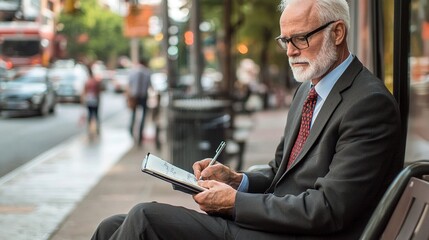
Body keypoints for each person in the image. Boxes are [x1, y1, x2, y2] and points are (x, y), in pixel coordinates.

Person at [91, 0, 403, 239]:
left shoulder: (368, 103)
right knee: (111, 226)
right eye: (285, 41)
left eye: (301, 39)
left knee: (145, 217)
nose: (291, 51)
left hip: (302, 233)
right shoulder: (308, 90)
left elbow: (330, 209)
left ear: (337, 32)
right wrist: (237, 180)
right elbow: (281, 170)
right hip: (274, 222)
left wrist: (235, 203)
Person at [126, 58, 152, 146]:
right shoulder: (147, 72)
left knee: (133, 115)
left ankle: (131, 131)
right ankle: (140, 136)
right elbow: (150, 85)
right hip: (143, 96)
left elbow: (129, 84)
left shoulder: (133, 71)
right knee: (143, 117)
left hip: (134, 96)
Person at [81, 65, 102, 136]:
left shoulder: (87, 82)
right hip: (95, 100)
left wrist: (83, 100)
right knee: (96, 114)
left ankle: (90, 128)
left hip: (89, 100)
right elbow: (99, 91)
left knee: (90, 114)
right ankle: (97, 128)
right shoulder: (95, 82)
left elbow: (84, 92)